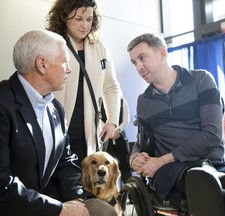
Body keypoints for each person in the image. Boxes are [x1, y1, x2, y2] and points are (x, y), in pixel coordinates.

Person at [127, 33, 225, 215]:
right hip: (171, 172)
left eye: (142, 58)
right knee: (201, 178)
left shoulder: (201, 80)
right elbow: (141, 143)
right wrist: (134, 158)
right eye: (134, 62)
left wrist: (161, 159)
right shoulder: (144, 101)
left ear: (162, 54)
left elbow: (212, 134)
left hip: (209, 161)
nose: (139, 67)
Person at [0, 30, 117, 216]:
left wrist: (78, 200)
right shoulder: (3, 103)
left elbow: (65, 163)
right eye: (65, 61)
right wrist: (59, 209)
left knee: (104, 211)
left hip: (49, 201)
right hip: (15, 208)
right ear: (42, 64)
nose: (69, 69)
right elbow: (2, 185)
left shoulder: (56, 108)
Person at [46, 0, 121, 166]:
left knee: (85, 180)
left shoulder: (99, 48)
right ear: (63, 17)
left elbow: (110, 86)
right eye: (79, 19)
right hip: (55, 126)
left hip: (88, 130)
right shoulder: (50, 44)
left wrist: (112, 120)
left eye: (89, 19)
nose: (85, 25)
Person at [101, 96, 132, 186]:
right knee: (108, 165)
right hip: (106, 139)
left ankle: (129, 192)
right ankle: (111, 194)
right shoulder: (100, 102)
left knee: (125, 165)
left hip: (120, 137)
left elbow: (126, 120)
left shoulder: (122, 102)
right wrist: (108, 131)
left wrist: (117, 130)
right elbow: (99, 119)